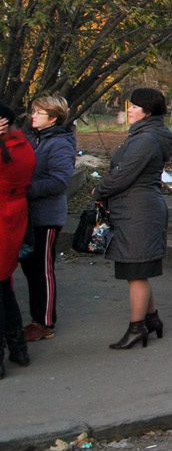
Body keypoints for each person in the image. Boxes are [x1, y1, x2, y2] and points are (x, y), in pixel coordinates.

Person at [93, 88, 172, 350]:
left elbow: (123, 174)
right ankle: (151, 320)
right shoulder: (146, 134)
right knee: (137, 269)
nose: (129, 110)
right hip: (135, 209)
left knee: (136, 271)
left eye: (134, 106)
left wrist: (99, 190)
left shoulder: (146, 139)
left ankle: (137, 328)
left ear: (147, 111)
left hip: (138, 211)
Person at [21, 95, 77, 342]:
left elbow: (59, 181)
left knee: (42, 270)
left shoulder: (59, 144)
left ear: (53, 118)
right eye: (33, 112)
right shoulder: (34, 138)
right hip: (29, 214)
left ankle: (44, 322)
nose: (33, 116)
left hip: (46, 216)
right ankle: (37, 319)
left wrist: (24, 188)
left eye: (38, 113)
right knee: (30, 268)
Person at [0, 100, 36, 377]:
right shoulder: (23, 144)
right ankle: (18, 348)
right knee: (4, 287)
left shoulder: (8, 150)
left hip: (4, 215)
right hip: (14, 217)